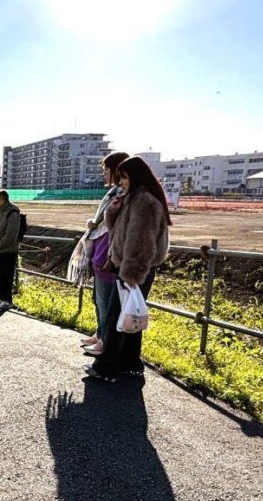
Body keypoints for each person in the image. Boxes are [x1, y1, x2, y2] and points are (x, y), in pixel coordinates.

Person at [84, 156, 171, 379]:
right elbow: (117, 230)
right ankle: (130, 363)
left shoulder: (144, 202)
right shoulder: (133, 199)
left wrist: (129, 274)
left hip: (134, 269)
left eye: (123, 177)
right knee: (130, 319)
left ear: (135, 176)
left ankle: (106, 367)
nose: (120, 181)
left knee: (116, 320)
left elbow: (140, 242)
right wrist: (114, 209)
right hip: (127, 267)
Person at [81, 152, 130, 356]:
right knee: (98, 298)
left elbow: (116, 225)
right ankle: (100, 333)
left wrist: (97, 223)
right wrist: (95, 222)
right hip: (101, 248)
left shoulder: (121, 194)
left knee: (105, 300)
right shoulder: (113, 192)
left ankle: (104, 340)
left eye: (106, 170)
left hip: (108, 252)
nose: (103, 174)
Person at [0, 190, 21, 310]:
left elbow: (10, 234)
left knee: (6, 276)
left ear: (2, 200)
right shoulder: (2, 212)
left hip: (7, 251)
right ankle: (1, 298)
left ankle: (7, 300)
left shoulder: (12, 213)